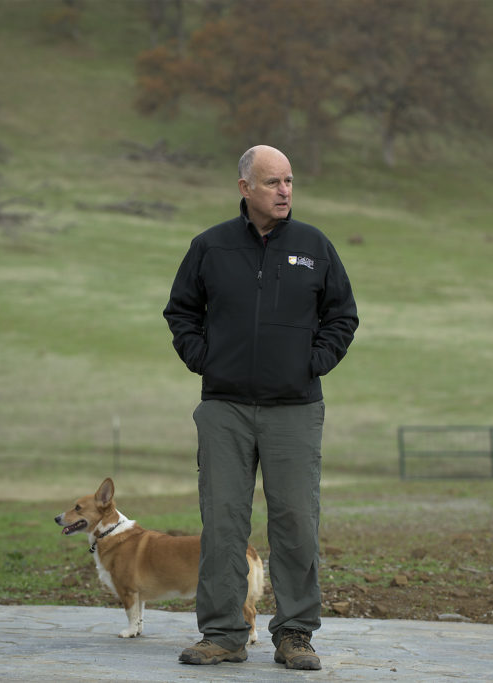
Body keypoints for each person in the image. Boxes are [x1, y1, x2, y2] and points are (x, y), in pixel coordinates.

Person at [163, 145, 359, 670]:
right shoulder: (211, 246)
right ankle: (223, 635)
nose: (285, 191)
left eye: (290, 181)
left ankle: (295, 634)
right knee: (223, 522)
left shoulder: (314, 246)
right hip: (223, 408)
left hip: (294, 409)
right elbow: (180, 310)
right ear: (245, 187)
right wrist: (205, 360)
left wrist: (311, 363)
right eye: (273, 182)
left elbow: (343, 315)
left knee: (296, 520)